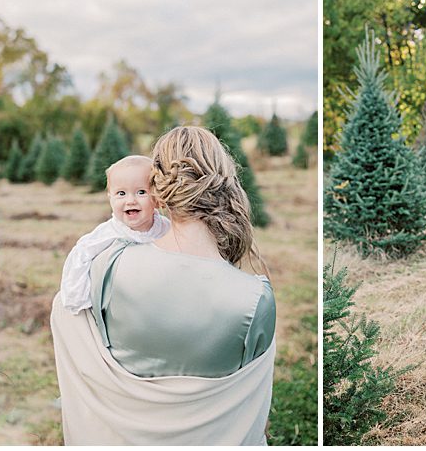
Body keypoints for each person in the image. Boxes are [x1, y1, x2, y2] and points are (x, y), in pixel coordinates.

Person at [51, 126, 276, 445]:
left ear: (158, 186)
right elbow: (253, 415)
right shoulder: (256, 300)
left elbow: (67, 317)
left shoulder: (105, 268)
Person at [59, 155, 170, 314]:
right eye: (121, 193)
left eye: (141, 192)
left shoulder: (165, 228)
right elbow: (81, 254)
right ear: (110, 197)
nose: (130, 200)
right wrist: (77, 298)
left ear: (157, 197)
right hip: (119, 304)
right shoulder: (109, 232)